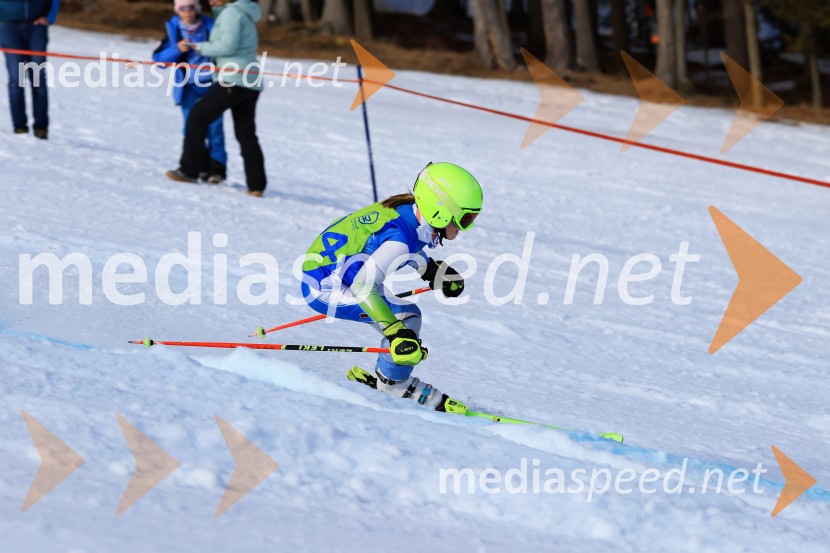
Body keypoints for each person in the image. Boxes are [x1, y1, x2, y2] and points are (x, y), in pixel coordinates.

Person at [300, 162, 483, 412]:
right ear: (440, 211)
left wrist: (429, 270)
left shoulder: (408, 212)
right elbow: (364, 285)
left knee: (404, 318)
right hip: (325, 289)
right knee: (406, 318)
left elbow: (399, 245)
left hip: (335, 275)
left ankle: (389, 375)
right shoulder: (400, 238)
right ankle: (393, 385)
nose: (465, 227)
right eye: (465, 219)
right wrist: (396, 333)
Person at [166, 0, 267, 197]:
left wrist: (199, 46)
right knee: (246, 133)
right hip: (250, 81)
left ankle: (189, 170)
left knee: (197, 116)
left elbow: (226, 46)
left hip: (234, 79)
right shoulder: (242, 12)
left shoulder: (231, 14)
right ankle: (256, 185)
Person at [153, 0, 227, 184]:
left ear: (197, 8)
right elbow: (159, 60)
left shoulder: (211, 25)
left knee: (215, 128)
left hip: (212, 83)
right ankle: (199, 167)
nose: (187, 11)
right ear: (178, 10)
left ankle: (216, 170)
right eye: (183, 8)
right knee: (191, 127)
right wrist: (176, 49)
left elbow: (225, 49)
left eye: (191, 7)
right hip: (187, 86)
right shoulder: (173, 29)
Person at [0, 0, 59, 139]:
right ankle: (19, 126)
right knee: (16, 78)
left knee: (38, 78)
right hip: (8, 27)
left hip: (36, 27)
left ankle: (41, 127)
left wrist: (50, 18)